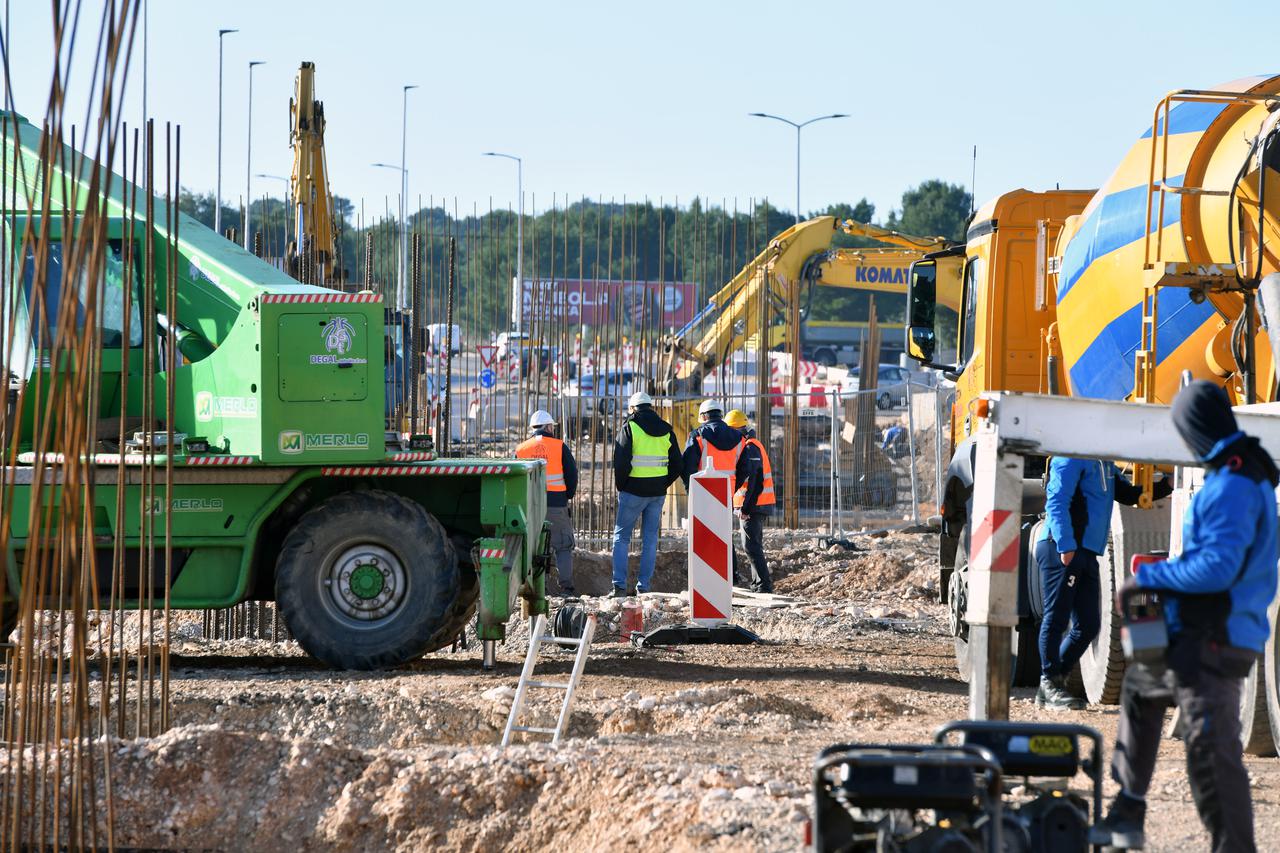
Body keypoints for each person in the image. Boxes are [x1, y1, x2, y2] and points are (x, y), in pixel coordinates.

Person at [1090, 381, 1278, 852]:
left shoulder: (1234, 484)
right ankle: (1128, 809)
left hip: (1217, 636)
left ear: (1196, 428)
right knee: (1141, 690)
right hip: (1199, 632)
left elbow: (1217, 568)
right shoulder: (1233, 473)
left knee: (1211, 755)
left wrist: (1151, 578)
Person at [1035, 456, 1169, 710]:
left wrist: (1167, 485)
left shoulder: (1104, 464)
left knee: (1088, 624)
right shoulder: (1069, 457)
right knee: (1057, 618)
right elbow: (1057, 501)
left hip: (1086, 551)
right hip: (1062, 547)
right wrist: (1065, 544)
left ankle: (1051, 682)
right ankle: (1049, 682)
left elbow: (1129, 494)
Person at [611, 392, 682, 597]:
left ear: (633, 408)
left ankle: (620, 586)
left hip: (633, 491)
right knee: (650, 539)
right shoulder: (667, 429)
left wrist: (622, 486)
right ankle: (644, 587)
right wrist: (662, 483)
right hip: (656, 493)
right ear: (650, 407)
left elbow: (621, 462)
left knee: (621, 538)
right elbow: (678, 464)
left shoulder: (630, 427)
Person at [515, 410, 579, 596]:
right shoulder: (559, 446)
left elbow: (515, 479)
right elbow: (572, 474)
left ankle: (539, 588)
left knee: (535, 547)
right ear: (549, 427)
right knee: (563, 545)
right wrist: (568, 495)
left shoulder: (521, 449)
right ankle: (566, 588)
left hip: (530, 506)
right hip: (556, 503)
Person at [725, 409, 774, 593]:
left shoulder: (750, 446)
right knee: (752, 545)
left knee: (751, 546)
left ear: (736, 429)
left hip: (754, 504)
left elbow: (754, 479)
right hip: (756, 503)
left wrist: (746, 507)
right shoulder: (750, 444)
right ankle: (758, 584)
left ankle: (763, 585)